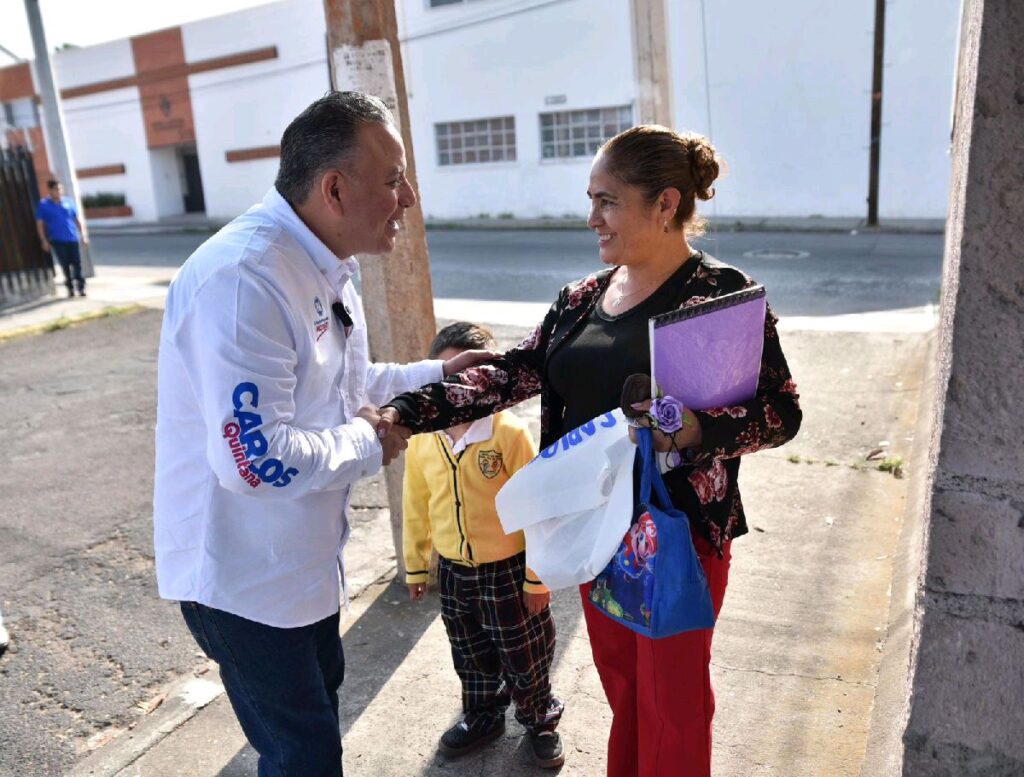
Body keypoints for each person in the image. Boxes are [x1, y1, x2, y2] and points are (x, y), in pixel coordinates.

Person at [379, 125, 802, 777]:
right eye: (591, 198)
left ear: (664, 204)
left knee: (675, 705)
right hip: (596, 532)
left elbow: (779, 411)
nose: (591, 217)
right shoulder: (581, 300)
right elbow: (513, 371)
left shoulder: (716, 294)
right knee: (626, 693)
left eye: (607, 200)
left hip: (674, 534)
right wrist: (405, 411)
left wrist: (693, 426)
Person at [152, 91, 494, 777]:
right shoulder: (247, 279)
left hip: (302, 567)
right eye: (394, 179)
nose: (409, 198)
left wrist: (437, 372)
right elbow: (255, 460)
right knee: (302, 756)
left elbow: (352, 385)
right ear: (335, 188)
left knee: (315, 727)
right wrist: (376, 440)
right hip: (245, 582)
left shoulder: (325, 261)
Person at [403, 322, 565, 768]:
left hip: (508, 571)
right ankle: (482, 716)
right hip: (455, 572)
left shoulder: (508, 435)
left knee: (525, 652)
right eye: (450, 379)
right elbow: (415, 502)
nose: (459, 390)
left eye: (471, 380)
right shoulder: (424, 436)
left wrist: (538, 577)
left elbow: (538, 507)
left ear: (489, 382)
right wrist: (417, 566)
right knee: (469, 651)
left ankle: (539, 720)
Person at [36, 179, 88, 297]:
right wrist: (44, 240)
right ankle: (70, 288)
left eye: (60, 189)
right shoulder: (43, 205)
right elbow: (40, 224)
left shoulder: (68, 202)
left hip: (72, 238)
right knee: (65, 265)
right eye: (56, 189)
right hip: (57, 239)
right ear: (50, 190)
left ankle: (81, 288)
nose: (59, 191)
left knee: (77, 263)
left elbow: (76, 220)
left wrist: (83, 235)